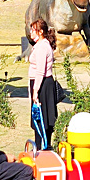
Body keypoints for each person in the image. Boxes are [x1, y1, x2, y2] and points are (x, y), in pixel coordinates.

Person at [28, 19, 59, 148]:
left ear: (40, 32)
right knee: (41, 120)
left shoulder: (42, 47)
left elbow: (40, 71)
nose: (30, 32)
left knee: (41, 119)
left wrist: (35, 91)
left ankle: (42, 149)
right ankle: (42, 147)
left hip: (42, 85)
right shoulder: (40, 45)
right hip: (41, 84)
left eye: (33, 30)